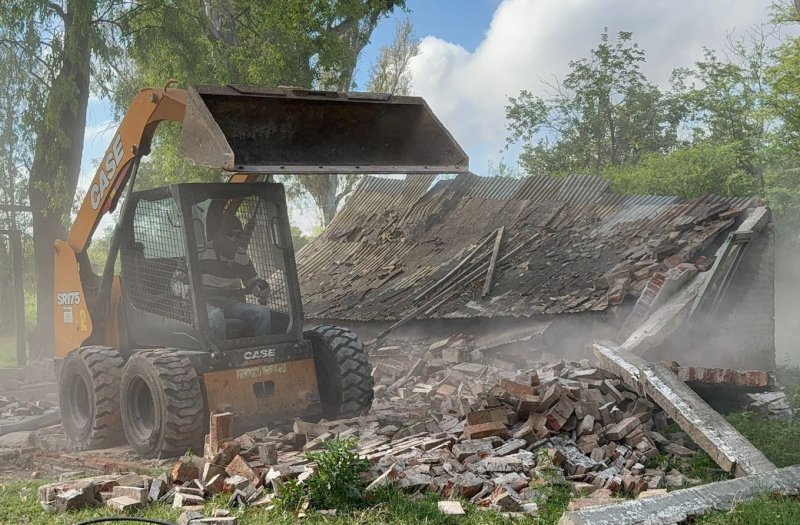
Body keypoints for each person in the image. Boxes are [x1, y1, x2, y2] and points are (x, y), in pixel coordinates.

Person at [199, 214, 271, 339]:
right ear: (220, 235)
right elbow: (178, 279)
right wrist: (188, 291)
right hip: (204, 304)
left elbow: (252, 282)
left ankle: (264, 349)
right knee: (216, 316)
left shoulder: (240, 255)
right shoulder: (200, 252)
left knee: (263, 313)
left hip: (229, 304)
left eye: (238, 235)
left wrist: (261, 288)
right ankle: (221, 351)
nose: (234, 239)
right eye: (230, 234)